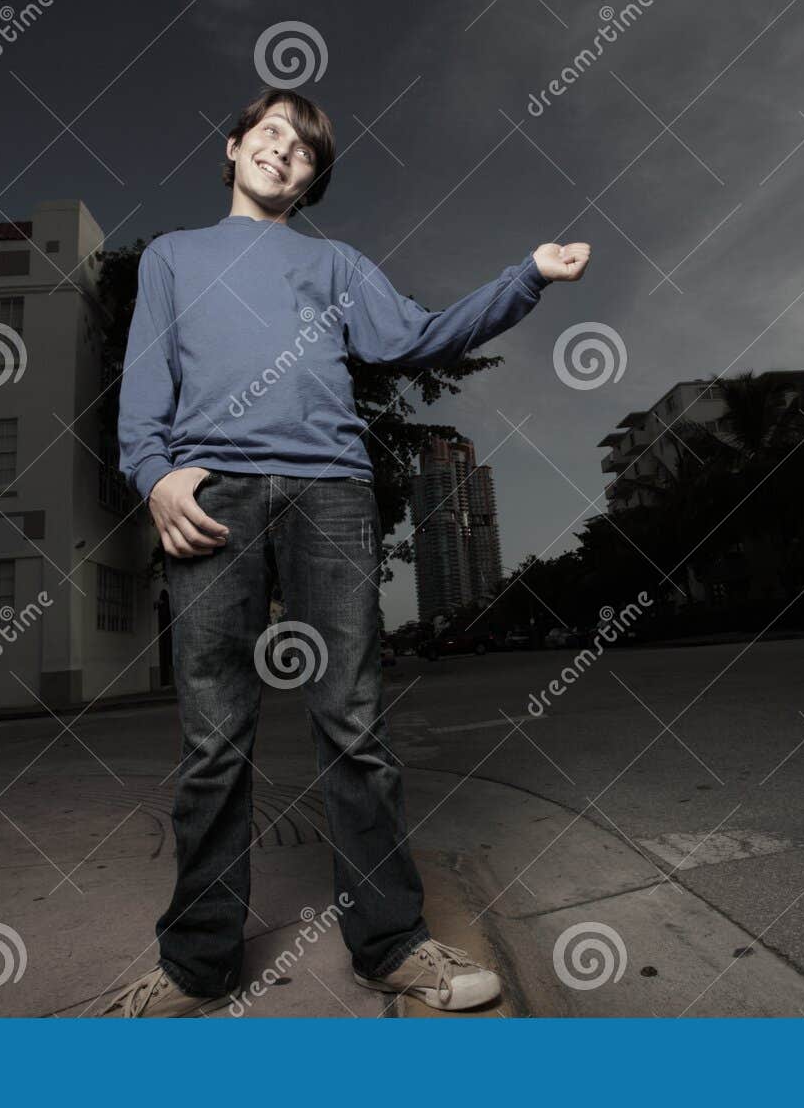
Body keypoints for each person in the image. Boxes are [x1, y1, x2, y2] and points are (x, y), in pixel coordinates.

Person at [105, 86, 590, 1017]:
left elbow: (414, 338)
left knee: (353, 723)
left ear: (312, 179)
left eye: (304, 149)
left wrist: (525, 274)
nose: (283, 150)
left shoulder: (335, 266)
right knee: (213, 735)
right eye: (270, 133)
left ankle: (392, 943)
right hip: (214, 496)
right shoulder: (172, 257)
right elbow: (145, 380)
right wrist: (154, 476)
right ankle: (197, 962)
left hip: (330, 494)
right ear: (235, 144)